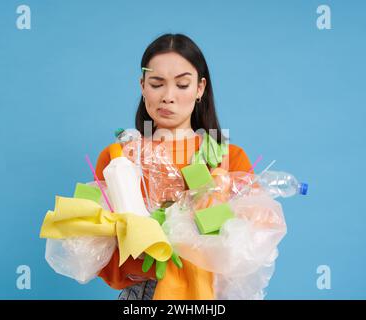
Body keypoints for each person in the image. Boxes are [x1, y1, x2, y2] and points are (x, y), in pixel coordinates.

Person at [95, 33, 254, 300]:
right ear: (142, 85)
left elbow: (249, 245)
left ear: (200, 89)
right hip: (143, 294)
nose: (168, 96)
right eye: (157, 83)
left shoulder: (228, 158)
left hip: (209, 294)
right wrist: (146, 253)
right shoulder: (119, 158)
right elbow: (98, 246)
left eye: (182, 85)